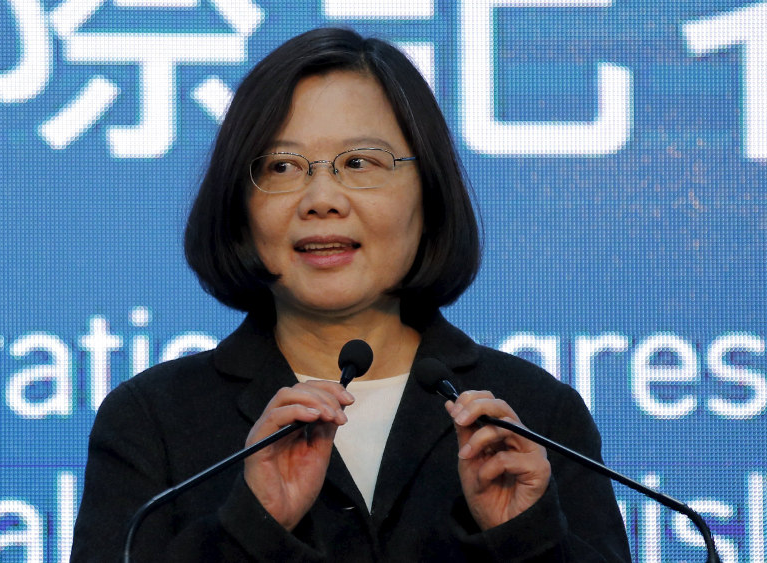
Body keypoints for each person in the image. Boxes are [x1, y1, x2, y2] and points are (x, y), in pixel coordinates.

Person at [71, 28, 631, 562]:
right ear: (240, 204)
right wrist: (253, 524)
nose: (321, 198)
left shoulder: (533, 415)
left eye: (360, 163)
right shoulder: (153, 420)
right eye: (281, 166)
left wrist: (525, 539)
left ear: (427, 191)